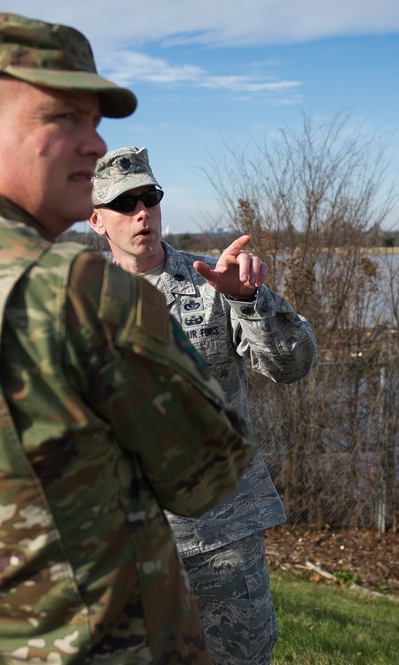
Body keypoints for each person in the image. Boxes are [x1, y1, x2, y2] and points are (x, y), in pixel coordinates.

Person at [0, 12, 256, 665]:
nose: (96, 145)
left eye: (96, 120)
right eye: (65, 118)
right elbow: (209, 476)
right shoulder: (77, 290)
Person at [89, 146, 318, 664]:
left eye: (150, 197)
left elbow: (294, 365)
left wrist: (250, 300)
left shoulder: (214, 282)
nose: (141, 211)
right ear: (97, 220)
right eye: (125, 203)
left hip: (222, 538)